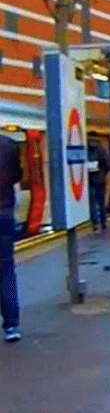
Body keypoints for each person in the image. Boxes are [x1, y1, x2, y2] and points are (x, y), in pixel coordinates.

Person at [0, 133, 22, 342]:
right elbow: (17, 176)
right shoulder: (9, 145)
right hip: (4, 214)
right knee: (6, 269)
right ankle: (12, 326)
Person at [87, 136, 110, 233]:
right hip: (100, 180)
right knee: (101, 202)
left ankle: (95, 224)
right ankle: (103, 223)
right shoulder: (102, 150)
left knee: (92, 203)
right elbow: (108, 165)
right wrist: (102, 173)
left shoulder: (86, 150)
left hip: (90, 181)